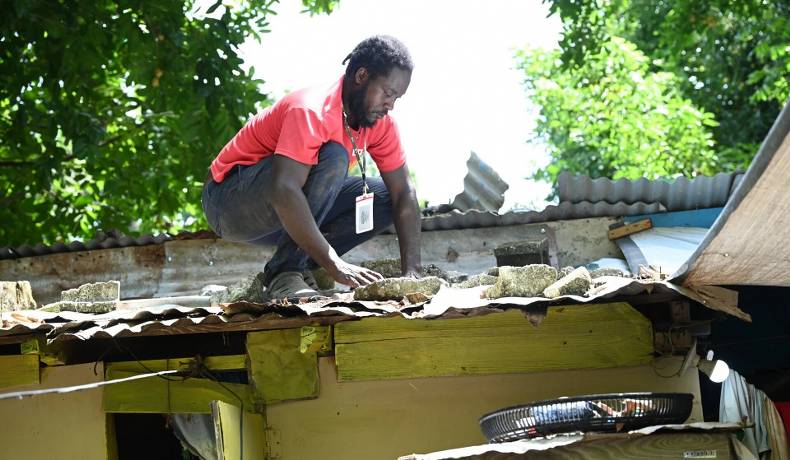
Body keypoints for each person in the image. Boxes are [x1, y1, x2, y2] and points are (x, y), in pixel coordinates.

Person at [201, 35, 421, 299]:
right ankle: (284, 273)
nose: (391, 105)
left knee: (384, 198)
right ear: (362, 76)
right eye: (388, 93)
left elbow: (403, 194)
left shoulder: (380, 125)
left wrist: (413, 273)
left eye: (397, 98)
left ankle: (304, 266)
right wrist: (335, 262)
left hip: (284, 215)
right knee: (333, 156)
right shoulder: (311, 110)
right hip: (228, 204)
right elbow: (284, 190)